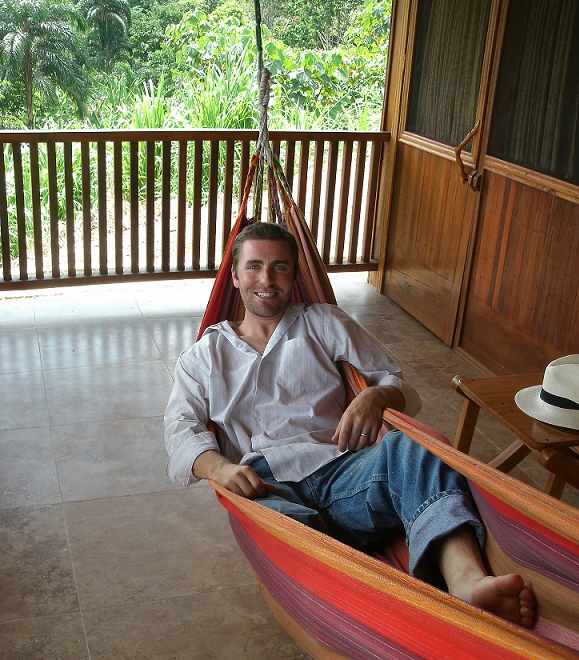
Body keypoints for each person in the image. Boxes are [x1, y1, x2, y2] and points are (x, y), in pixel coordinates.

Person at [165, 222, 535, 628]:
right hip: (266, 484)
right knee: (282, 525)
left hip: (345, 471)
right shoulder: (205, 355)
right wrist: (219, 468)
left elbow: (393, 379)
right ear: (233, 276)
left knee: (415, 449)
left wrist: (377, 395)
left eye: (280, 267)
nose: (266, 280)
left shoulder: (323, 322)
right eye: (253, 267)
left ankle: (467, 580)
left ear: (295, 276)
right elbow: (180, 426)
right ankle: (375, 610)